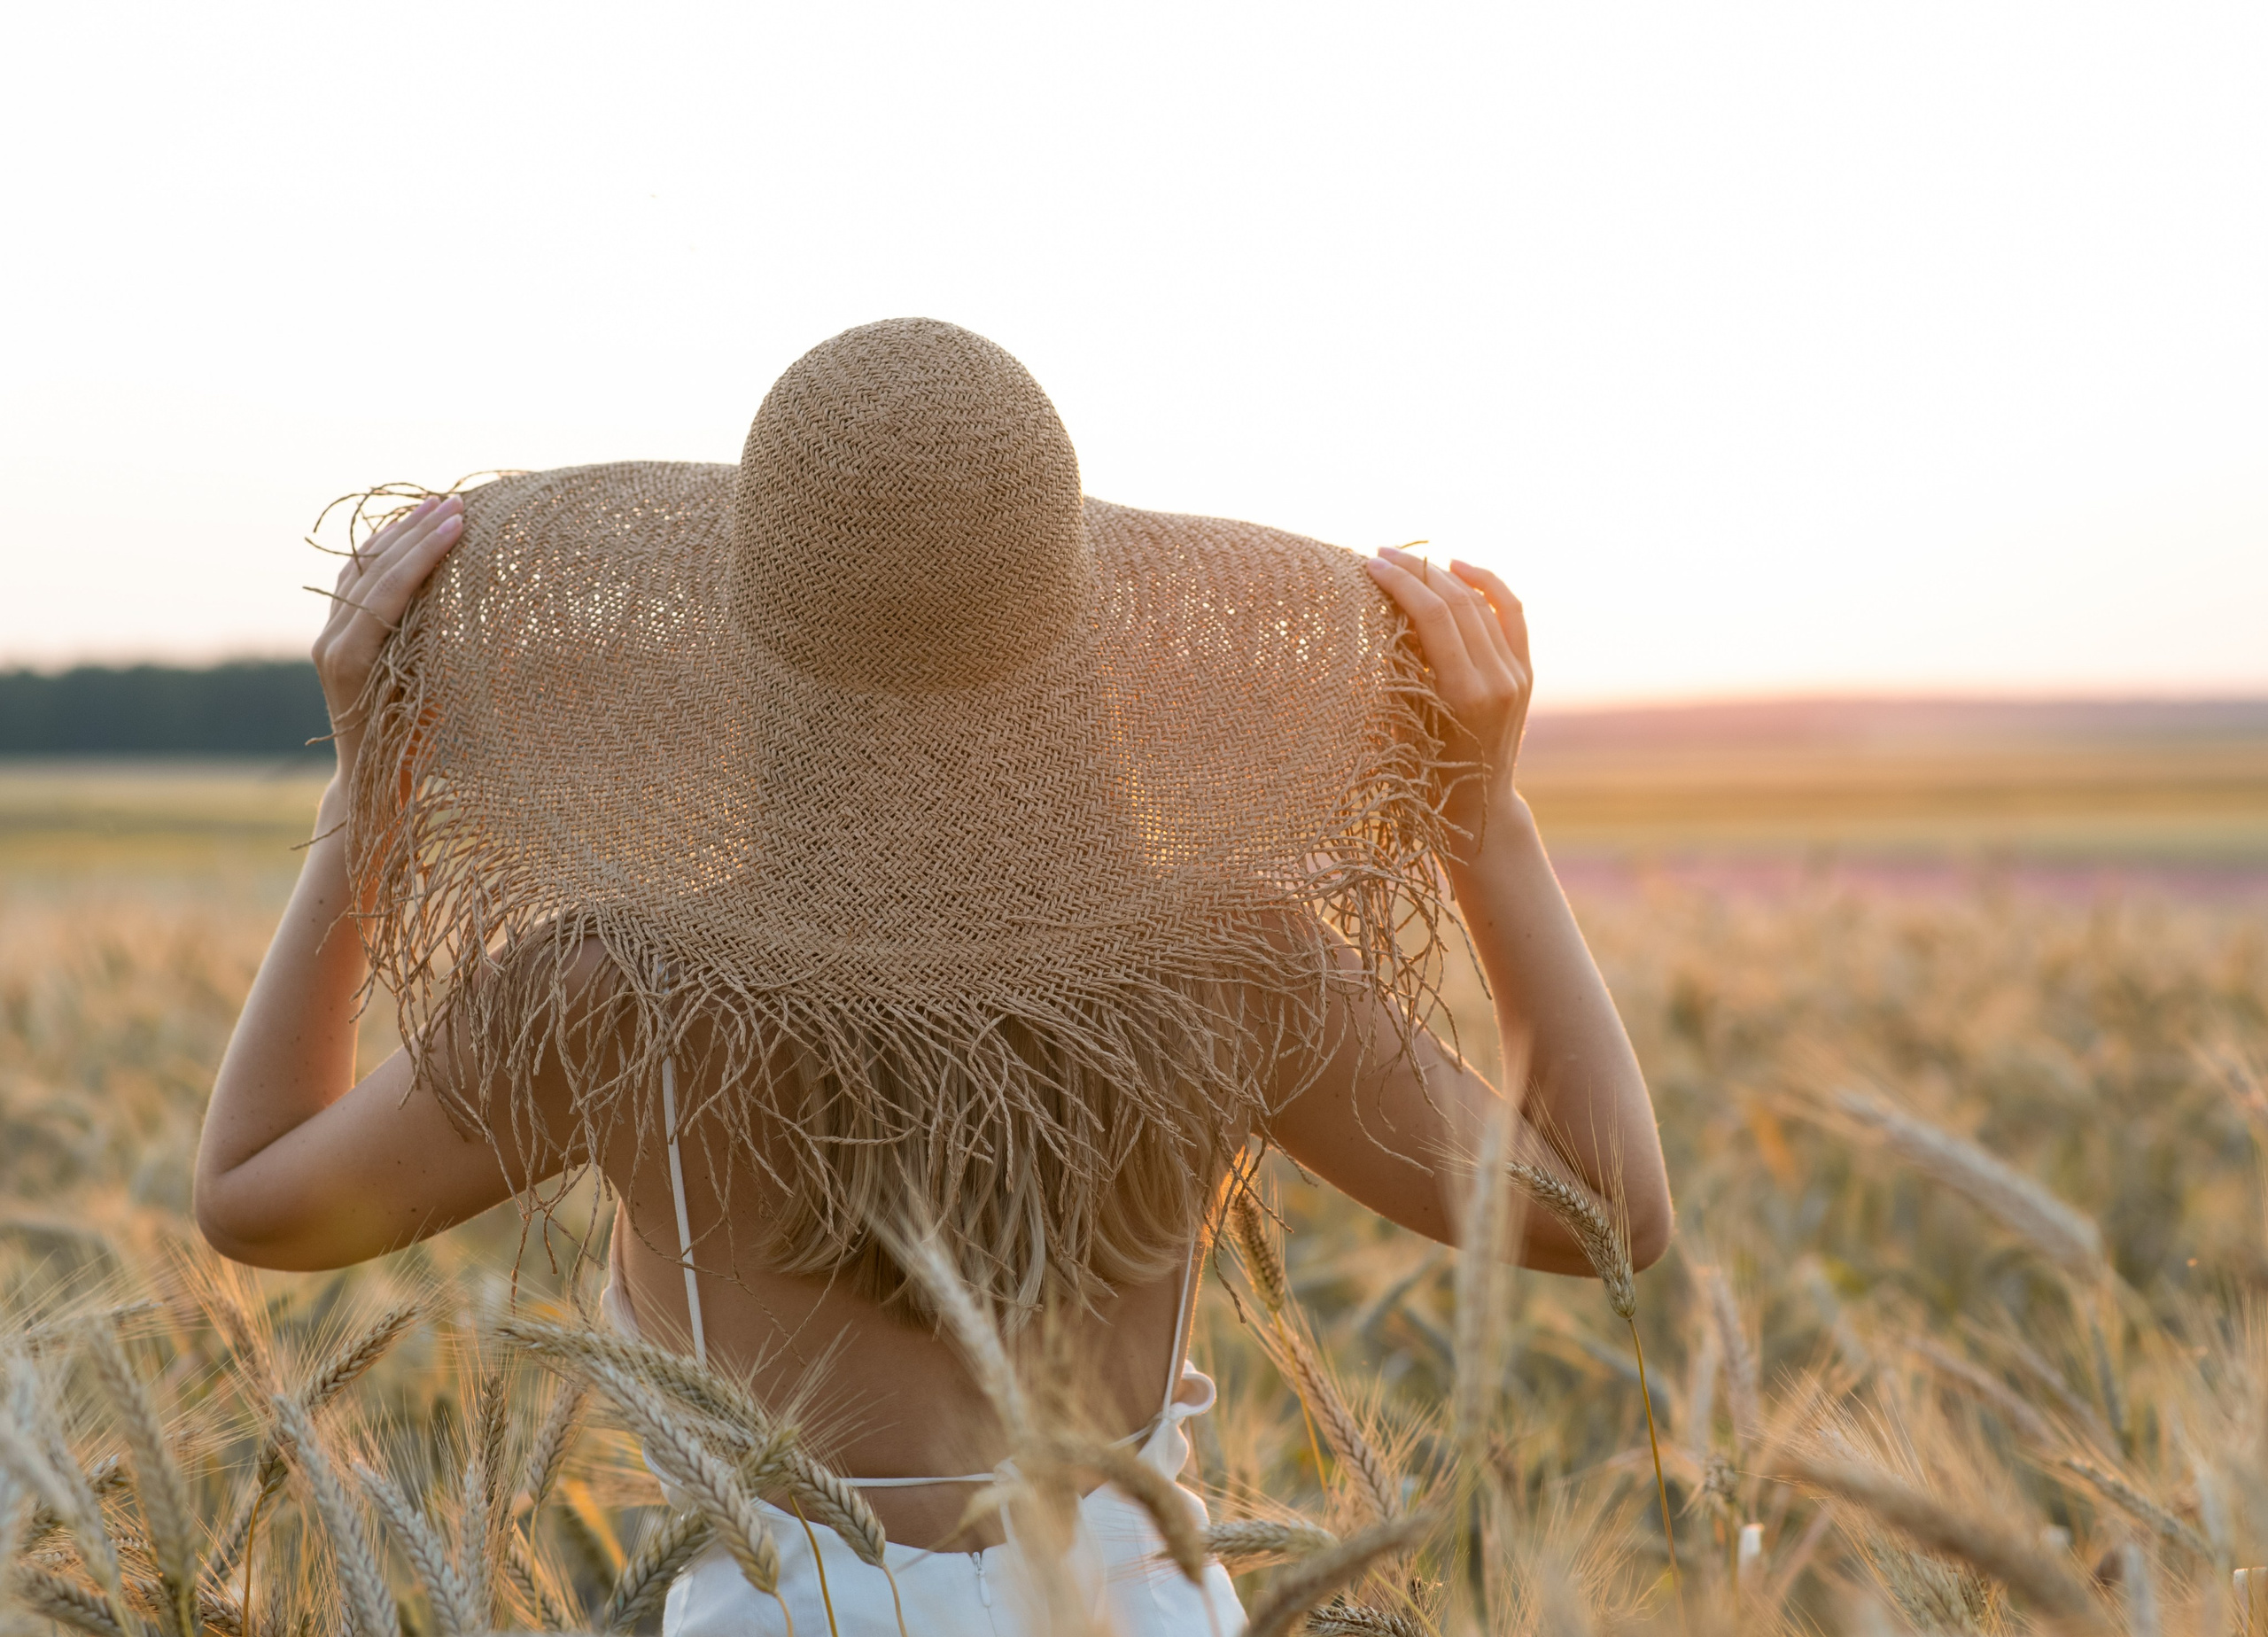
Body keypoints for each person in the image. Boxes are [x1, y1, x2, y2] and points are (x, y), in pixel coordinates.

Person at [194, 318, 1671, 1635]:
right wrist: (1488, 828)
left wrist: (367, 808)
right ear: (1087, 640)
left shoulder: (618, 993)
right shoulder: (1229, 973)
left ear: (743, 656)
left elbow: (257, 1193)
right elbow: (1606, 1215)